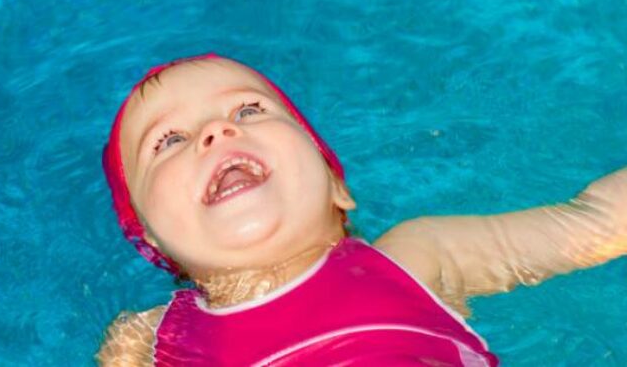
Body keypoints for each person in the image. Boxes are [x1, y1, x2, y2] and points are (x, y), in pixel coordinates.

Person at [97, 53, 627, 366]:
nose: (215, 131)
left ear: (335, 187)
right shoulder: (148, 337)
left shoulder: (416, 257)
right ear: (152, 243)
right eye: (167, 141)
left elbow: (595, 223)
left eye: (250, 110)